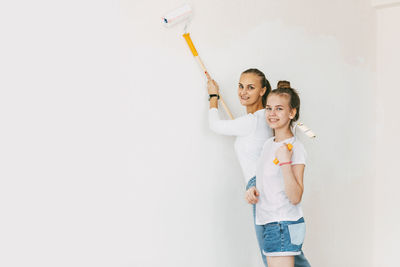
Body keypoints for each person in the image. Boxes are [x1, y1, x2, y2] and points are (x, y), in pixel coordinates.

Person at [207, 71, 311, 267]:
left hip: (278, 214)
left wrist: (213, 96)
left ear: (263, 90)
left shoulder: (257, 121)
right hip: (264, 192)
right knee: (297, 262)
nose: (243, 92)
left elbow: (295, 196)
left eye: (251, 87)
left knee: (284, 260)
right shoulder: (268, 138)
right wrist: (252, 189)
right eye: (240, 86)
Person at [250, 81, 307, 267]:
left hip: (282, 225)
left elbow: (296, 196)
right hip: (270, 222)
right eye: (269, 108)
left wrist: (285, 162)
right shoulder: (268, 145)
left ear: (292, 113)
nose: (272, 113)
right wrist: (253, 190)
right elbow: (268, 183)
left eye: (279, 108)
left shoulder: (296, 148)